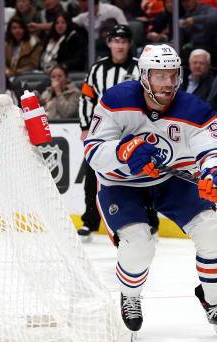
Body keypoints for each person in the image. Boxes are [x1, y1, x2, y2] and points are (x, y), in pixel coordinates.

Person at [82, 43, 217, 338]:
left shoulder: (194, 109)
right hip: (122, 184)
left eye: (172, 75)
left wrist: (216, 174)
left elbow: (215, 148)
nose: (168, 83)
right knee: (139, 245)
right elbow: (93, 151)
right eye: (160, 76)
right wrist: (123, 152)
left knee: (211, 231)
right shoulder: (117, 100)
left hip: (173, 180)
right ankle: (130, 297)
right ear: (144, 76)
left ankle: (215, 303)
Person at [78, 24, 159, 241]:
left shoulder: (139, 67)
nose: (119, 45)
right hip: (102, 132)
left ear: (129, 43)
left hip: (135, 130)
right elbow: (86, 98)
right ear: (109, 43)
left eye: (123, 41)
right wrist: (85, 126)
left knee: (143, 174)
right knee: (92, 176)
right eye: (116, 40)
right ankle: (90, 222)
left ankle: (150, 222)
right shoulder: (97, 69)